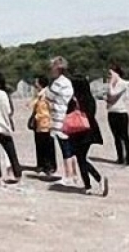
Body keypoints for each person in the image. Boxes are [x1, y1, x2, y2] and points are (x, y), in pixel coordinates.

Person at [69, 76, 108, 196]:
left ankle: (97, 179)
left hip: (78, 131)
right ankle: (88, 185)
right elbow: (91, 114)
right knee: (82, 158)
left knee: (81, 158)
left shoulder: (75, 100)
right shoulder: (91, 99)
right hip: (90, 131)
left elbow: (70, 114)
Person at [48, 56, 78, 185]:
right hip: (65, 115)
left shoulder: (59, 82)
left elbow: (49, 96)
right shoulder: (67, 82)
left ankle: (68, 175)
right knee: (70, 148)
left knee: (65, 147)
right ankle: (74, 174)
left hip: (60, 117)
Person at [30, 76, 56, 175]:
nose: (35, 84)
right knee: (39, 144)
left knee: (47, 145)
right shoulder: (38, 94)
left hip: (46, 122)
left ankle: (49, 166)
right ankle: (41, 164)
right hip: (39, 122)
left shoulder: (47, 94)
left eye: (36, 82)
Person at [107, 65, 129, 166]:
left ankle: (128, 159)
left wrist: (111, 84)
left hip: (121, 113)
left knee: (124, 136)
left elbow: (112, 94)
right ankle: (120, 157)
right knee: (116, 137)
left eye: (110, 73)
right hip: (112, 112)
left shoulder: (123, 84)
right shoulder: (112, 84)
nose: (109, 76)